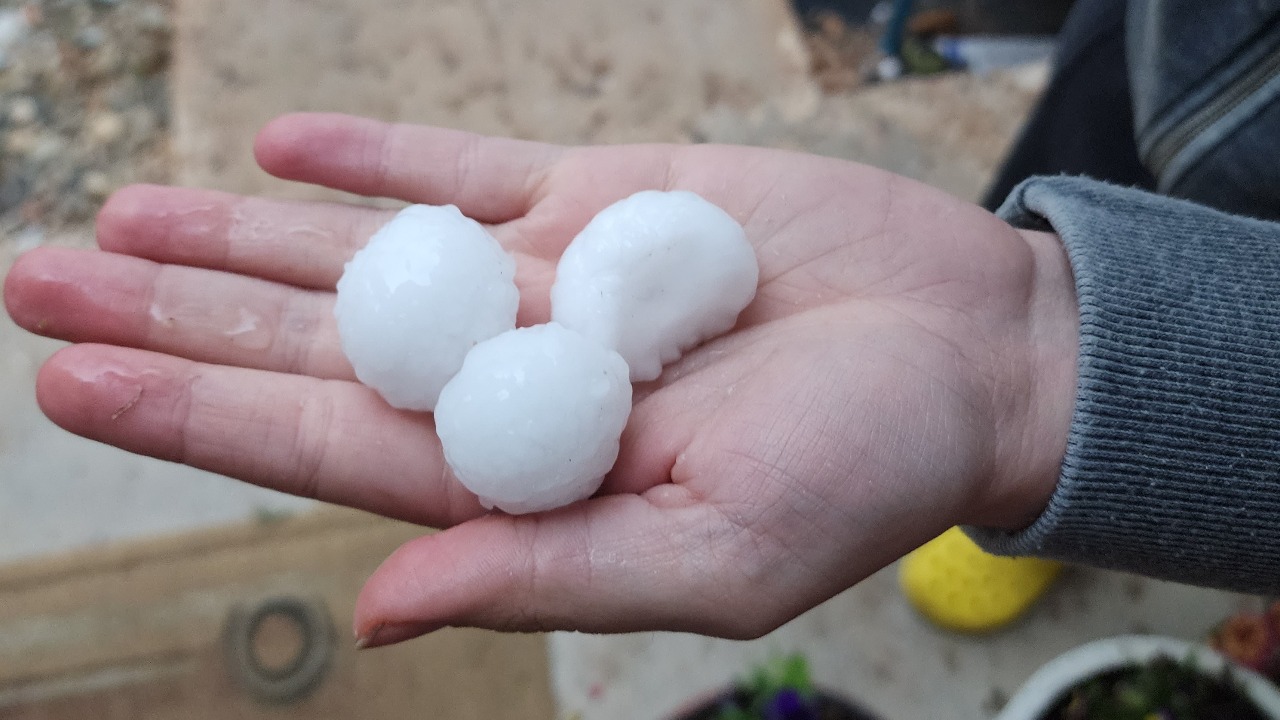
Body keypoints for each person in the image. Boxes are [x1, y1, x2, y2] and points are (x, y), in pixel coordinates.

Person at [4, 0, 1278, 649]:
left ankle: (1066, 407)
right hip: (1189, 48)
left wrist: (1025, 381)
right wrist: (1048, 329)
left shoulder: (583, 329)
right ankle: (1074, 330)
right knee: (1086, 144)